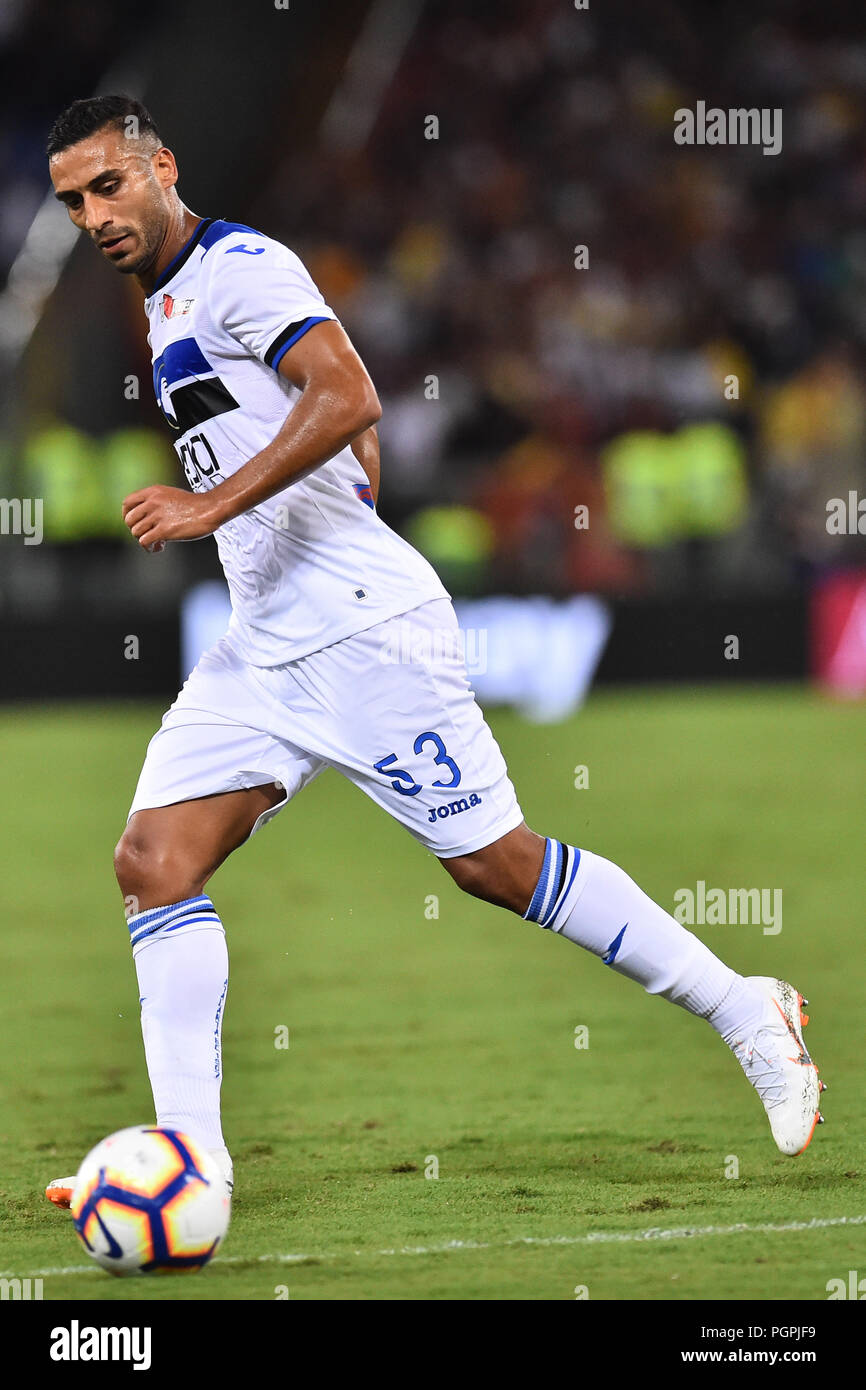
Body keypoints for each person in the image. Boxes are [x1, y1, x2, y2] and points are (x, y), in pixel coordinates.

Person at [43, 96, 823, 1209]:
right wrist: (331, 473)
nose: (93, 214)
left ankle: (743, 1006)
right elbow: (346, 424)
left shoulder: (237, 267)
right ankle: (190, 1164)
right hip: (264, 646)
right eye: (73, 200)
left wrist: (216, 505)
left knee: (492, 868)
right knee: (152, 864)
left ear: (161, 165)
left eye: (109, 186)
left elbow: (348, 390)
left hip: (364, 631)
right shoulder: (167, 299)